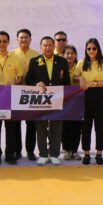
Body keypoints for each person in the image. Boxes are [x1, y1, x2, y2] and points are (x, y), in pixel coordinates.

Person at [25, 36, 70, 166]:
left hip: (57, 98)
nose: (47, 48)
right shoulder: (34, 61)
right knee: (41, 127)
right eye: (45, 45)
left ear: (54, 46)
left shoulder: (62, 61)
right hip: (41, 100)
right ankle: (43, 154)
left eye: (50, 45)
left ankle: (55, 154)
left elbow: (66, 81)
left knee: (57, 126)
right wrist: (36, 83)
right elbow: (28, 79)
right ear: (41, 47)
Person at [0, 31, 27, 165]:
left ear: (8, 42)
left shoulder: (16, 59)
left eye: (4, 41)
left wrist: (14, 83)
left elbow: (20, 77)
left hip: (11, 98)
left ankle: (10, 155)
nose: (2, 44)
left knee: (11, 128)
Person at [77, 38, 103, 165]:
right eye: (89, 49)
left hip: (100, 96)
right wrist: (80, 78)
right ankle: (86, 153)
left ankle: (99, 154)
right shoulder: (81, 63)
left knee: (100, 126)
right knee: (86, 127)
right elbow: (74, 75)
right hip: (85, 97)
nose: (91, 51)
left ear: (98, 49)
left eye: (94, 48)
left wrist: (93, 83)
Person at [13, 29, 40, 161]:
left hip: (31, 93)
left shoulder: (37, 55)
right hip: (15, 93)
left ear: (30, 39)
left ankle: (30, 151)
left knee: (31, 124)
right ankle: (17, 151)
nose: (24, 40)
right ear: (17, 40)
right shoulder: (11, 55)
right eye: (21, 37)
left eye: (26, 37)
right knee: (15, 124)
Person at [61, 44, 82, 161]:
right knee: (65, 126)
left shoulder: (80, 67)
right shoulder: (59, 68)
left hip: (78, 101)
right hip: (64, 101)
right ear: (63, 55)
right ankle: (67, 150)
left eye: (72, 53)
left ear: (75, 55)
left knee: (77, 126)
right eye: (67, 53)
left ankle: (75, 150)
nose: (69, 56)